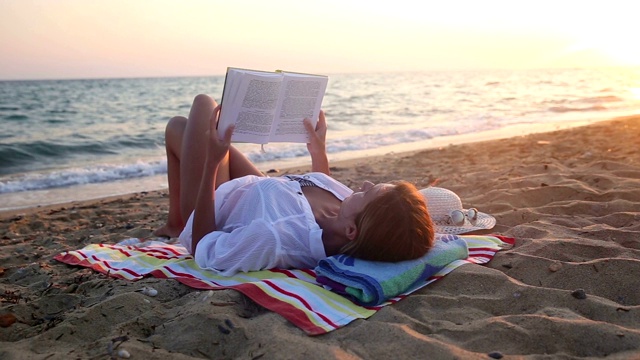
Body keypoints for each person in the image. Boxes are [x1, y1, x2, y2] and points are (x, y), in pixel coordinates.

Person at [154, 94, 434, 275]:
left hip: (211, 207)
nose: (364, 183)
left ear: (352, 230)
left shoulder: (275, 238)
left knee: (203, 106)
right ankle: (171, 220)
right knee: (179, 126)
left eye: (368, 191)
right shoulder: (350, 218)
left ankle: (179, 222)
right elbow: (322, 186)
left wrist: (212, 164)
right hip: (255, 190)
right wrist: (318, 151)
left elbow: (205, 248)